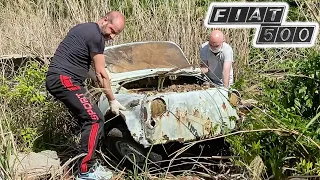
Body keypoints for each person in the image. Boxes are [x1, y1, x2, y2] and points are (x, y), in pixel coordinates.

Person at [45, 11, 127, 179]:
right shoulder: (96, 36)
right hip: (64, 79)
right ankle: (85, 171)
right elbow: (100, 74)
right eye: (111, 30)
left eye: (116, 34)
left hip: (62, 78)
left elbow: (83, 64)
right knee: (94, 119)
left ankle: (88, 160)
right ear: (104, 20)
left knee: (89, 118)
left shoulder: (85, 29)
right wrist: (112, 100)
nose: (112, 36)